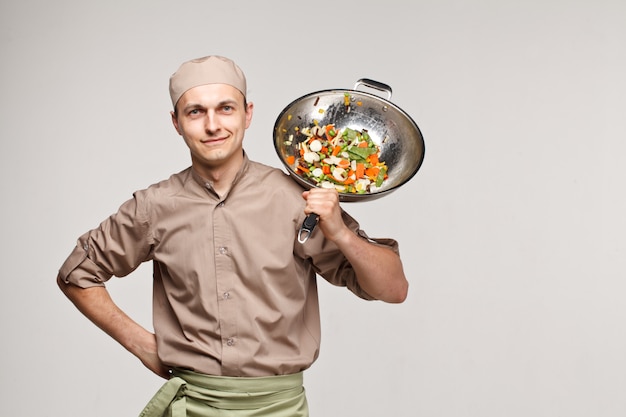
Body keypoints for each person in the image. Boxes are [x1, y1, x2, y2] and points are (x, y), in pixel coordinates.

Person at [57, 55, 409, 417]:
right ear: (176, 123)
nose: (213, 125)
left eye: (225, 108)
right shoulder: (154, 206)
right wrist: (140, 343)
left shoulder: (297, 199)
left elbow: (393, 289)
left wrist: (341, 235)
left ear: (247, 114)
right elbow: (77, 274)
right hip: (194, 406)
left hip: (280, 409)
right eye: (195, 112)